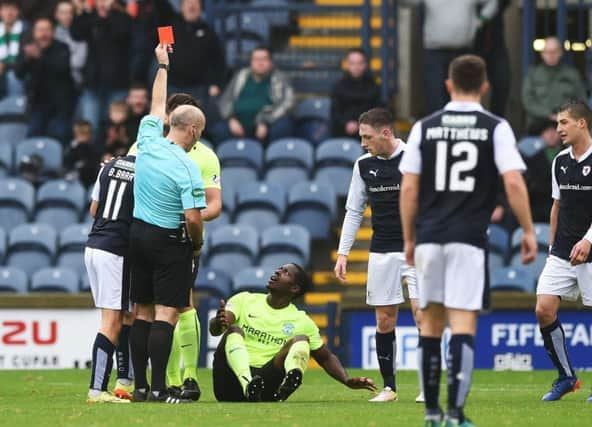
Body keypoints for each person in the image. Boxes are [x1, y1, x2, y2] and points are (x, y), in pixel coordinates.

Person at [400, 54, 537, 426]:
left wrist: (410, 238)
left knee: (429, 325)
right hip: (468, 238)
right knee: (462, 324)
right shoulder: (495, 127)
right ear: (486, 86)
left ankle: (431, 414)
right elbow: (512, 181)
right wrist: (527, 230)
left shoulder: (423, 127)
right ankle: (456, 414)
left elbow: (409, 188)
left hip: (428, 237)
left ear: (448, 84)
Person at [128, 92, 223, 401]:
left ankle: (139, 387)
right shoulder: (187, 167)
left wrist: (163, 65)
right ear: (193, 130)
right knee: (167, 314)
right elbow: (193, 218)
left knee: (141, 312)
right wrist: (195, 245)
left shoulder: (146, 142)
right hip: (170, 242)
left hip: (137, 235)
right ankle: (159, 387)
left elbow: (156, 104)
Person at [333, 108, 422, 403]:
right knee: (385, 320)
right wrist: (343, 253)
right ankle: (389, 388)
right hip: (382, 250)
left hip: (417, 250)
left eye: (366, 137)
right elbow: (354, 211)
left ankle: (428, 387)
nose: (362, 143)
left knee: (424, 317)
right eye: (361, 137)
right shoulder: (363, 166)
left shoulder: (416, 158)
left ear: (386, 133)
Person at [209, 263, 377, 402]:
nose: (277, 272)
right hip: (228, 384)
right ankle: (247, 385)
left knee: (301, 339)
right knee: (233, 330)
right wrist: (218, 322)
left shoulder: (301, 320)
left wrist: (346, 380)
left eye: (285, 273)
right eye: (279, 269)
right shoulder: (244, 299)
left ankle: (291, 379)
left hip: (264, 389)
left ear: (295, 288)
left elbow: (325, 357)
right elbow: (217, 329)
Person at [535, 100, 592, 403]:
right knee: (543, 308)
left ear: (581, 123)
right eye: (558, 123)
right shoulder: (559, 161)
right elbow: (556, 205)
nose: (558, 128)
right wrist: (552, 247)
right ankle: (566, 376)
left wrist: (588, 239)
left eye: (563, 123)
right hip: (562, 251)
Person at [85, 150, 136, 404]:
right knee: (113, 320)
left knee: (118, 316)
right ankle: (97, 389)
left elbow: (94, 209)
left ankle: (123, 380)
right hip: (116, 249)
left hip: (93, 246)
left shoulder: (108, 166)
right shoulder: (146, 172)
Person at [414, 0, 498, 114]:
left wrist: (481, 20)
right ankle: (438, 128)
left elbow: (492, 3)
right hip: (435, 53)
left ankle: (465, 128)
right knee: (435, 96)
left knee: (465, 96)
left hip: (463, 51)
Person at [71, 0, 132, 132]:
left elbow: (122, 32)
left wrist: (110, 14)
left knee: (116, 125)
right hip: (93, 82)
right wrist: (82, 12)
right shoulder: (90, 17)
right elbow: (76, 33)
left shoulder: (122, 17)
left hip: (117, 82)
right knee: (90, 125)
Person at [214, 46, 295, 143]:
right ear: (251, 62)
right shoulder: (241, 76)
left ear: (271, 62)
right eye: (256, 59)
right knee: (218, 129)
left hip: (267, 122)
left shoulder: (279, 78)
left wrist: (265, 121)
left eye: (264, 59)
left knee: (282, 126)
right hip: (238, 122)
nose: (260, 63)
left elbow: (289, 103)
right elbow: (225, 100)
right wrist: (231, 119)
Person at [14, 17, 75, 143]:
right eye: (40, 30)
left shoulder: (62, 48)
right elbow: (18, 74)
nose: (43, 33)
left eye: (47, 30)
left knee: (59, 136)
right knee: (32, 136)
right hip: (38, 103)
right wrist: (27, 59)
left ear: (53, 32)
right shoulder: (29, 49)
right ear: (34, 32)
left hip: (61, 104)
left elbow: (61, 69)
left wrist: (40, 57)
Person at [522, 37, 587, 135]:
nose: (551, 55)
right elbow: (527, 101)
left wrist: (565, 116)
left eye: (554, 52)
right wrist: (548, 114)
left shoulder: (572, 74)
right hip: (539, 122)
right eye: (547, 52)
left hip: (567, 122)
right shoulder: (533, 74)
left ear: (560, 53)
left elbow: (581, 100)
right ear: (542, 54)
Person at [330, 49, 381, 138]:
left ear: (365, 65)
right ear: (347, 65)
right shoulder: (339, 86)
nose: (356, 67)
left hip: (367, 132)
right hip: (342, 131)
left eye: (360, 63)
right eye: (352, 63)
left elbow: (375, 111)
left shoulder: (373, 86)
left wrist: (359, 124)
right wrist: (346, 123)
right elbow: (335, 111)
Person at [523, 126, 563, 223]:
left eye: (555, 131)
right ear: (541, 135)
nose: (551, 134)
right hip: (536, 203)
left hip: (559, 204)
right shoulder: (530, 156)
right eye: (547, 131)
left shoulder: (569, 155)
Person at [54, 0, 87, 89]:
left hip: (75, 82)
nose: (67, 16)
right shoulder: (51, 32)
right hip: (53, 83)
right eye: (63, 13)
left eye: (70, 12)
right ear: (56, 15)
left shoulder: (81, 31)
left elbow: (79, 61)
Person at [0, 0, 26, 97]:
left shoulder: (27, 30)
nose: (9, 13)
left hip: (19, 72)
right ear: (0, 11)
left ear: (18, 11)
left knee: (13, 77)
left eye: (13, 9)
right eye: (6, 9)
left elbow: (26, 59)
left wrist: (5, 66)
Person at [64, 119, 99, 187]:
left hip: (89, 180)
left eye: (85, 134)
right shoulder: (72, 147)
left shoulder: (94, 148)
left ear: (90, 134)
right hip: (72, 178)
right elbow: (67, 163)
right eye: (79, 134)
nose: (82, 137)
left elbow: (93, 165)